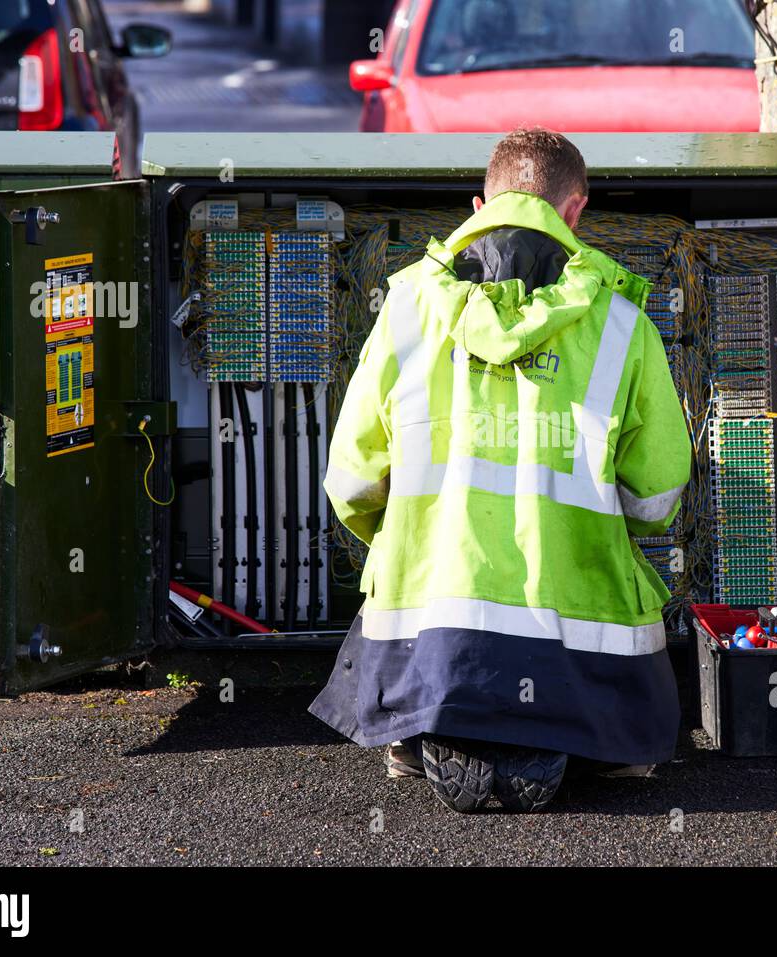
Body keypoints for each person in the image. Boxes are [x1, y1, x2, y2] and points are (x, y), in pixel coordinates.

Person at [309, 128, 691, 813]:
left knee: (399, 585)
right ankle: (591, 734)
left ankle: (418, 728)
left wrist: (406, 536)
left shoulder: (405, 307)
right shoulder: (623, 324)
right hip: (576, 640)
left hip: (428, 636)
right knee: (630, 709)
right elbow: (656, 496)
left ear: (480, 202)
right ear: (574, 211)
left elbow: (350, 482)